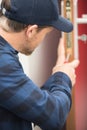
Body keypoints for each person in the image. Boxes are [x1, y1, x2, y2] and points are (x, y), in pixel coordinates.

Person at [0, 0, 79, 130]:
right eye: (46, 34)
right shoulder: (2, 62)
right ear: (31, 31)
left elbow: (25, 100)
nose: (43, 39)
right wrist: (63, 77)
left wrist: (57, 76)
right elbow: (54, 116)